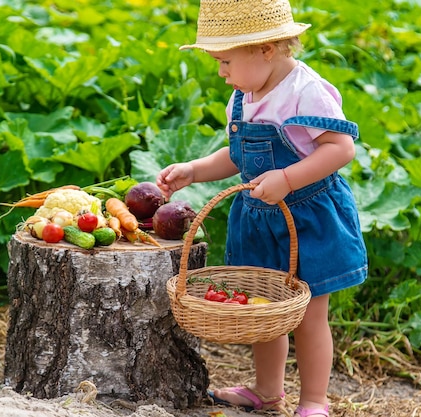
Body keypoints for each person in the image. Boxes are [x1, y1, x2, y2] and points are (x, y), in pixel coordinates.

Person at [156, 0, 368, 416]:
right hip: (259, 219)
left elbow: (340, 149)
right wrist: (195, 171)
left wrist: (287, 180)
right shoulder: (244, 93)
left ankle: (313, 401)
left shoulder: (305, 91)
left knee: (308, 315)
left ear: (266, 48)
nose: (221, 72)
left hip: (308, 217)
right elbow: (239, 156)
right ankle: (268, 391)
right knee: (265, 311)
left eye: (225, 61)